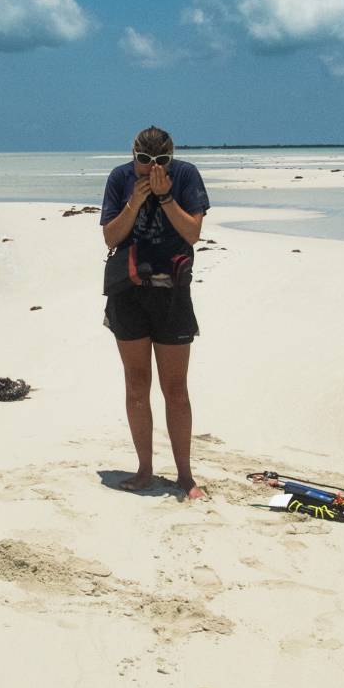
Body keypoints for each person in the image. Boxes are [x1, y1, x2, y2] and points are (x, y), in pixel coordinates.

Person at [99, 125, 210, 500]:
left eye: (161, 160)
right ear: (133, 156)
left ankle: (185, 476)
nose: (151, 167)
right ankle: (145, 470)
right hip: (128, 293)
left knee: (175, 389)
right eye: (144, 161)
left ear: (171, 157)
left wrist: (164, 199)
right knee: (136, 384)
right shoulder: (120, 179)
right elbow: (111, 237)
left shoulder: (185, 175)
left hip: (172, 293)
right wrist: (134, 201)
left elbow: (193, 233)